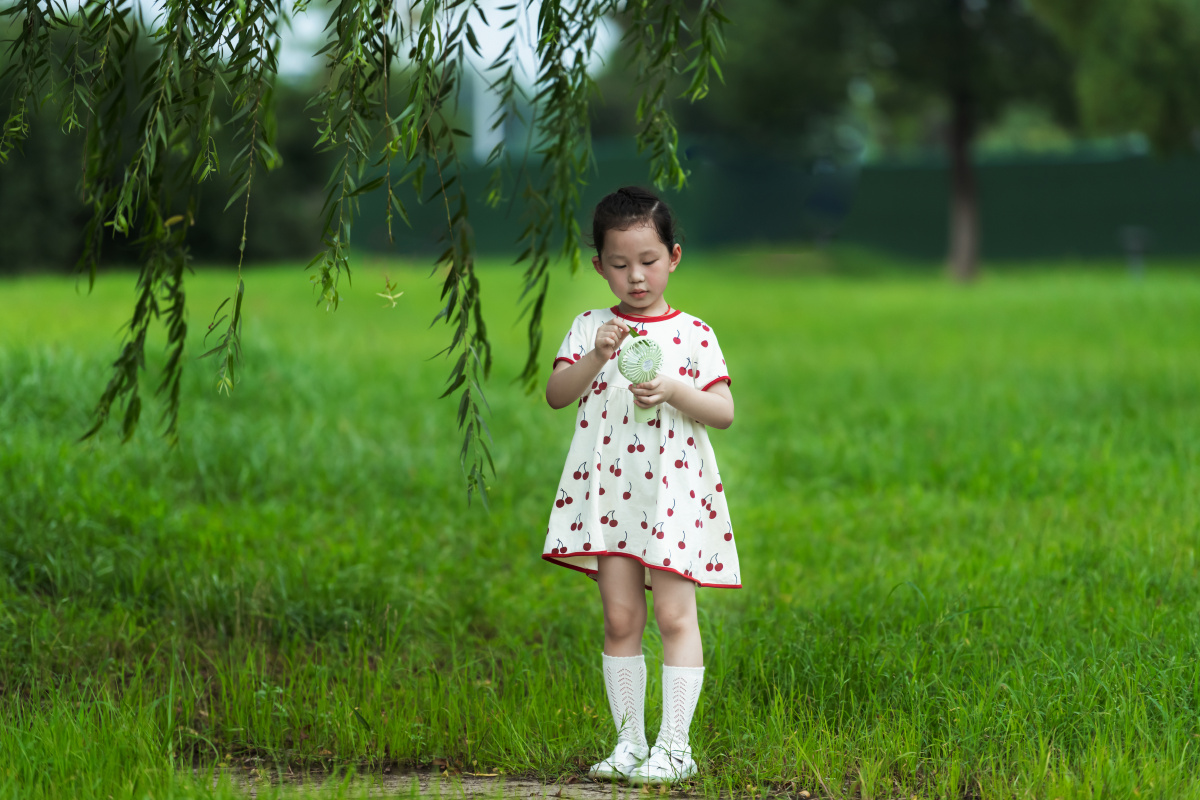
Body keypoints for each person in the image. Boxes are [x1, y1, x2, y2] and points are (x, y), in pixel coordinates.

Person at [542, 186, 741, 785]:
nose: (635, 277)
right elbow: (557, 395)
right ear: (598, 265)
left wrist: (675, 390)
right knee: (621, 618)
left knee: (676, 617)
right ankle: (629, 743)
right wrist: (596, 357)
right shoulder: (591, 328)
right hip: (610, 499)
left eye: (649, 261)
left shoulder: (695, 334)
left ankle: (675, 747)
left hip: (672, 497)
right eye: (620, 264)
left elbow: (723, 411)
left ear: (673, 257)